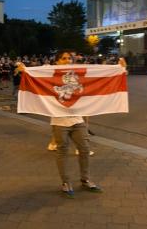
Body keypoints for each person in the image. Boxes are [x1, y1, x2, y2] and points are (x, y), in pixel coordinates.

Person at [47, 50, 102, 197]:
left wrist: (120, 69)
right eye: (63, 58)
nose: (67, 60)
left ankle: (85, 179)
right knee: (62, 152)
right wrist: (23, 70)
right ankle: (66, 182)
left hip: (77, 120)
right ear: (57, 61)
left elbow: (100, 78)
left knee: (84, 149)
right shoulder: (50, 74)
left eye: (69, 58)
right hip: (59, 122)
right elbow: (32, 77)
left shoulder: (78, 74)